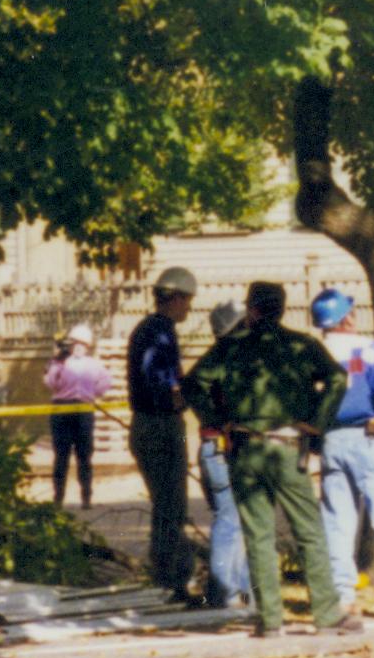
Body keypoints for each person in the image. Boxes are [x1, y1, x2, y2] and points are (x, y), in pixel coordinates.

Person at [186, 281, 349, 637]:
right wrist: (316, 424)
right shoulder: (301, 345)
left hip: (244, 449)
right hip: (288, 448)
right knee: (309, 531)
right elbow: (337, 379)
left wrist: (216, 420)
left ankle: (269, 619)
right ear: (283, 309)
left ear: (251, 309)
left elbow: (192, 383)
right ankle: (326, 613)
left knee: (257, 535)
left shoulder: (230, 348)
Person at [311, 288, 374, 622]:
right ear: (348, 317)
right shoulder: (373, 352)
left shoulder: (313, 355)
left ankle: (342, 595)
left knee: (337, 520)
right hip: (370, 437)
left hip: (330, 440)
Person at [127, 268, 200, 597]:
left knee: (166, 505)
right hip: (161, 425)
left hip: (150, 423)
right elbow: (163, 384)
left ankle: (167, 576)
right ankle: (171, 580)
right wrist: (189, 397)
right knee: (172, 506)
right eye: (188, 301)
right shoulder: (159, 332)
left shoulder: (150, 329)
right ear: (179, 298)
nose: (189, 309)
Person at [196, 305, 253, 615]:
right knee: (230, 521)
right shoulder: (229, 361)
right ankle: (222, 593)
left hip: (215, 447)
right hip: (221, 449)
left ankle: (242, 593)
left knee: (238, 521)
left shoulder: (216, 359)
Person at [44, 324, 108, 507]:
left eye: (83, 344)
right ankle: (58, 498)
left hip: (83, 411)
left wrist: (93, 393)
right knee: (61, 456)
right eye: (75, 343)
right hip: (61, 410)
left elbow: (106, 380)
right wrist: (57, 362)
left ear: (88, 346)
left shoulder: (93, 364)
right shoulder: (59, 362)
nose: (79, 347)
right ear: (70, 345)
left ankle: (86, 497)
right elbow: (50, 382)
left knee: (84, 455)